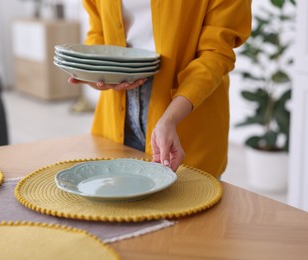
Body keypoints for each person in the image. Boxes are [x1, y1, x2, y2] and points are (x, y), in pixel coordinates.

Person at [69, 0, 252, 178]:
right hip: (115, 120)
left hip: (185, 122)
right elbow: (98, 29)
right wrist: (94, 72)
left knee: (188, 203)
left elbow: (215, 54)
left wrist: (170, 119)